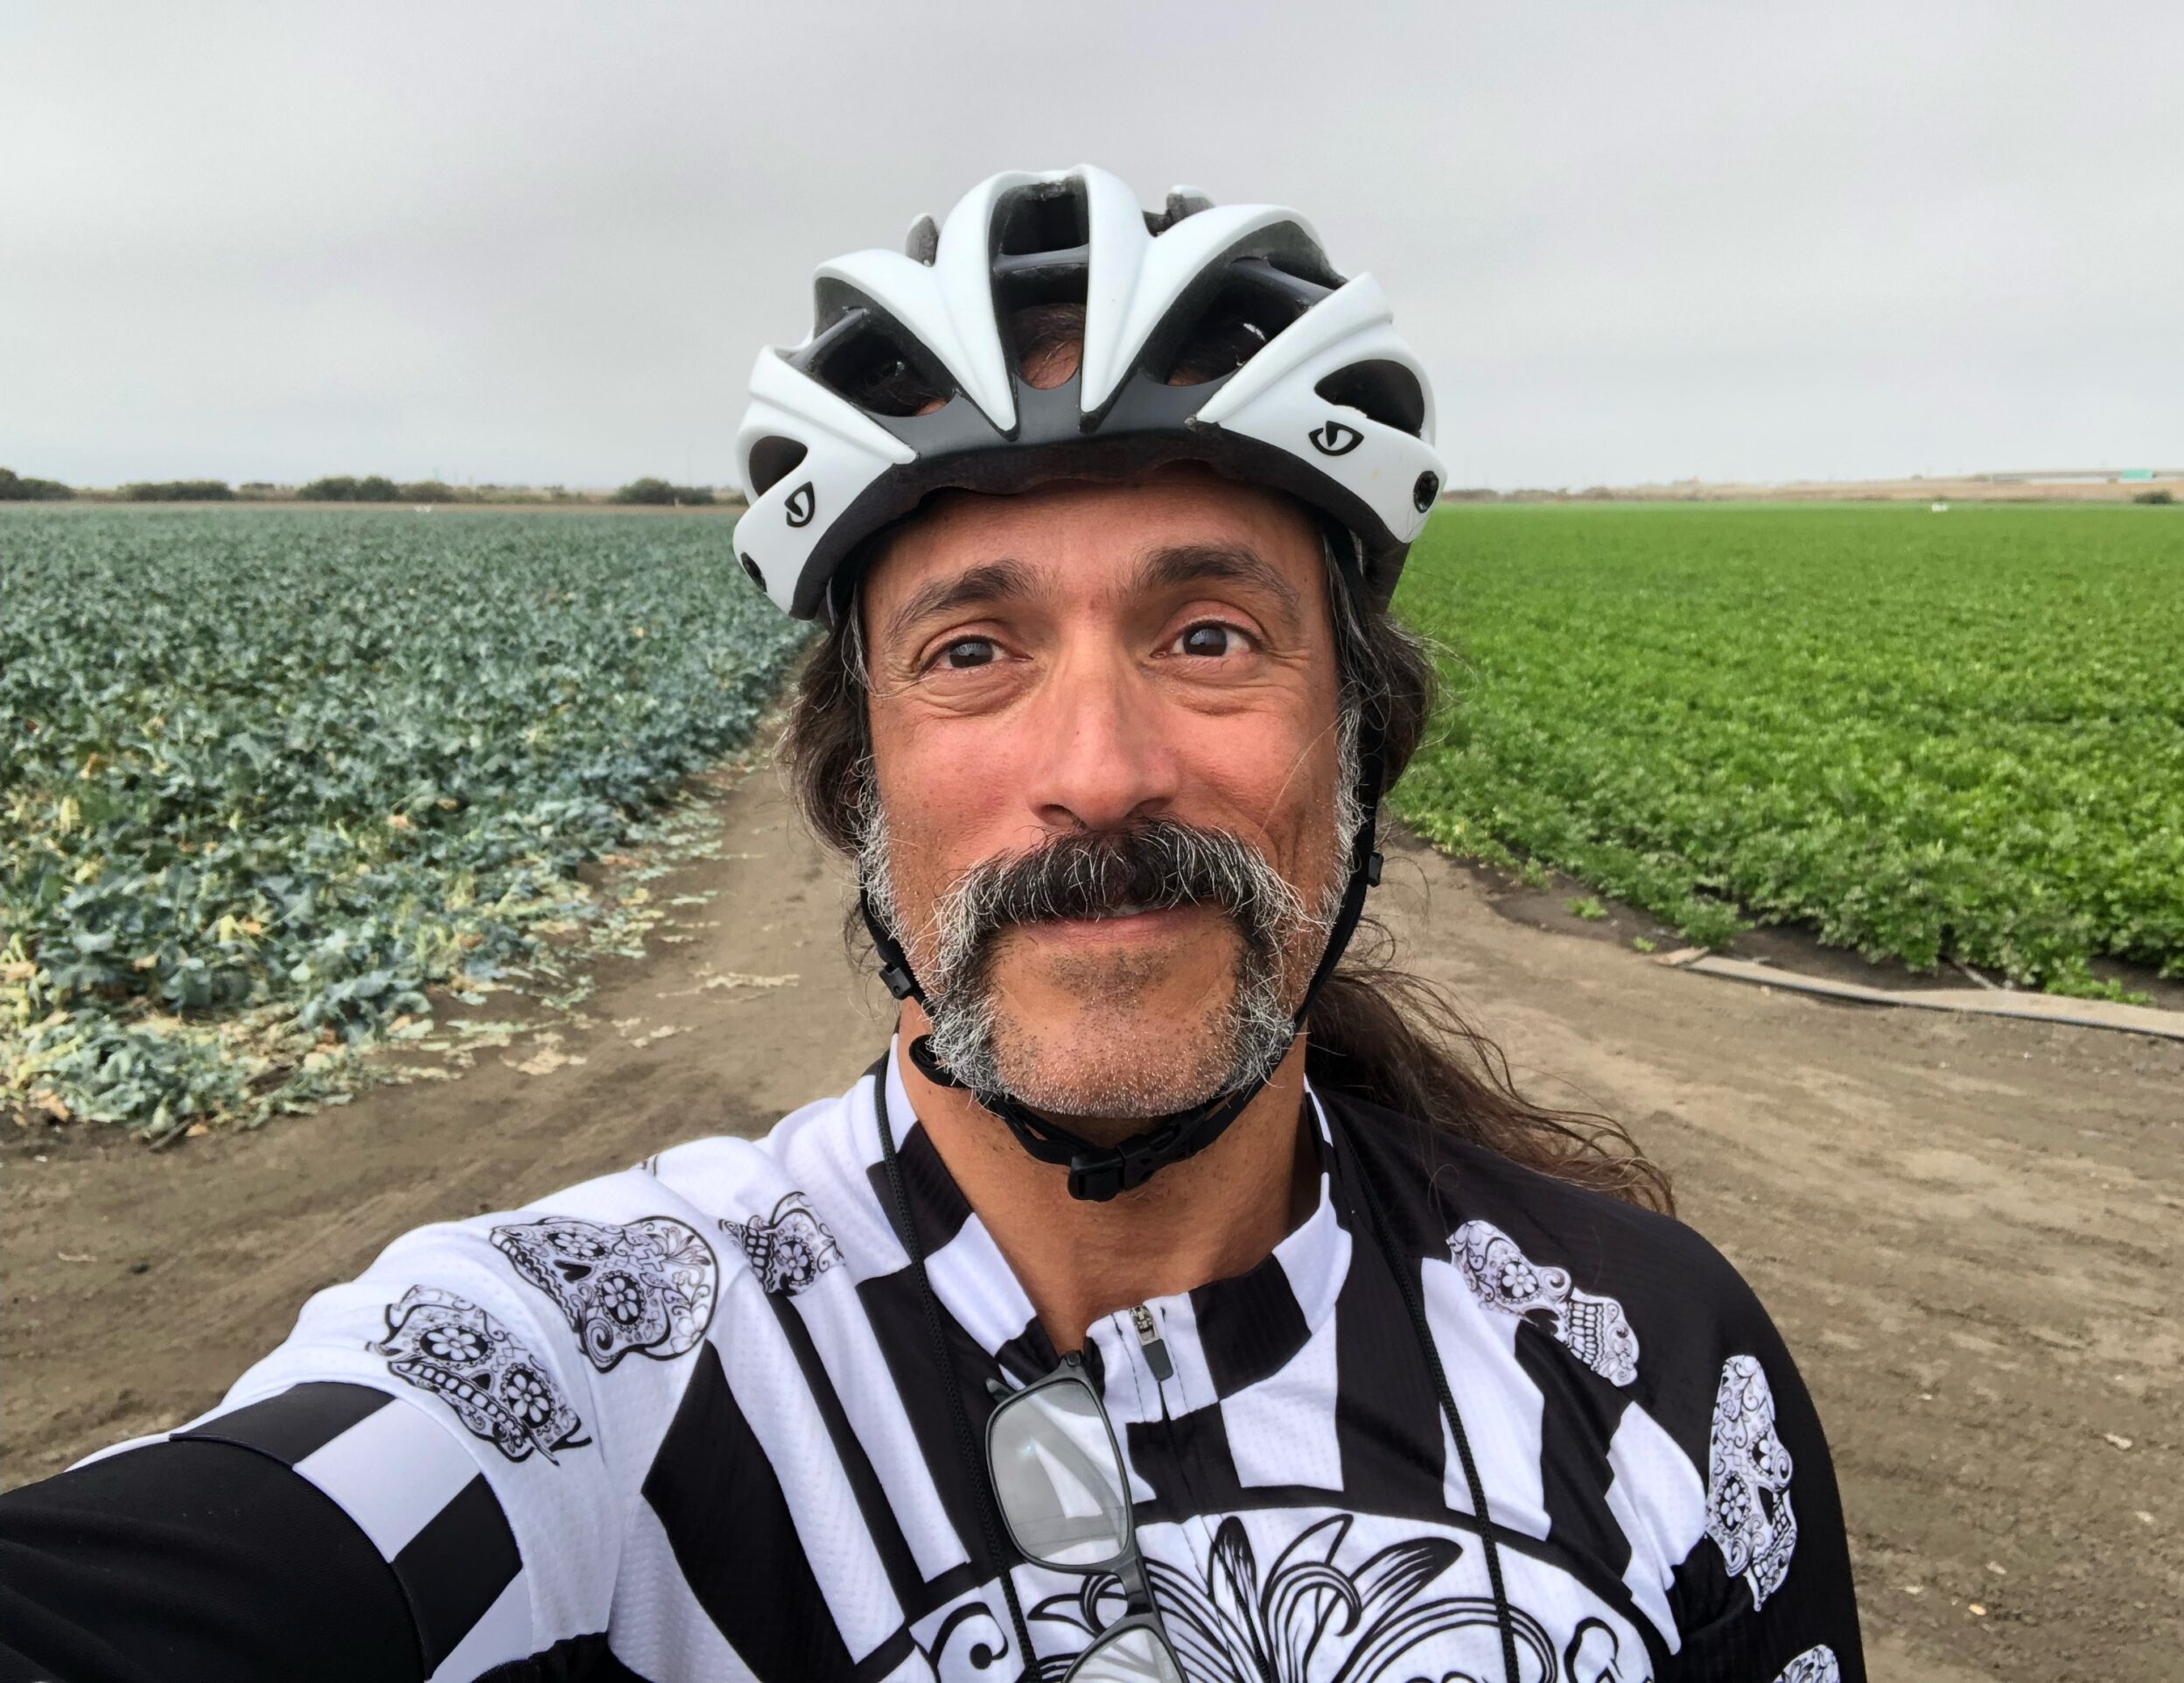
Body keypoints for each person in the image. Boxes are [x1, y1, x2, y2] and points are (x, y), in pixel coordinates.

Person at [0, 166, 1862, 1683]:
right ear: (858, 781)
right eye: (972, 652)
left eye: (1209, 634)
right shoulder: (599, 1365)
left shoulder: (1644, 1354)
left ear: (1357, 749)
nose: (1100, 771)